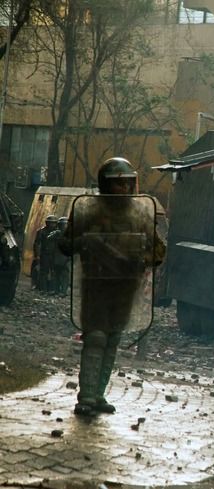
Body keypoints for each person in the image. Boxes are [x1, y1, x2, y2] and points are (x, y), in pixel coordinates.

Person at [59, 157, 165, 416]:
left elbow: (158, 250)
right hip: (96, 285)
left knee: (113, 339)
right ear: (106, 184)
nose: (125, 189)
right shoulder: (88, 210)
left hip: (125, 287)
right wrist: (86, 240)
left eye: (129, 184)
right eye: (119, 184)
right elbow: (65, 245)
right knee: (95, 338)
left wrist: (140, 258)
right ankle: (86, 395)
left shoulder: (140, 213)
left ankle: (99, 395)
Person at [32, 215, 57, 290]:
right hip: (45, 254)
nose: (52, 225)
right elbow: (37, 244)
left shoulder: (57, 232)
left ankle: (52, 288)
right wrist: (37, 255)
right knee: (43, 272)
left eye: (54, 223)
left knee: (54, 272)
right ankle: (42, 288)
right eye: (51, 223)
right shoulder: (41, 231)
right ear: (47, 223)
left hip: (54, 255)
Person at [47, 217, 70, 295]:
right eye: (62, 225)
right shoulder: (57, 233)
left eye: (64, 225)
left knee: (64, 275)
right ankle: (57, 290)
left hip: (66, 258)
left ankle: (63, 291)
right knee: (56, 274)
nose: (63, 227)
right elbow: (49, 238)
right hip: (57, 257)